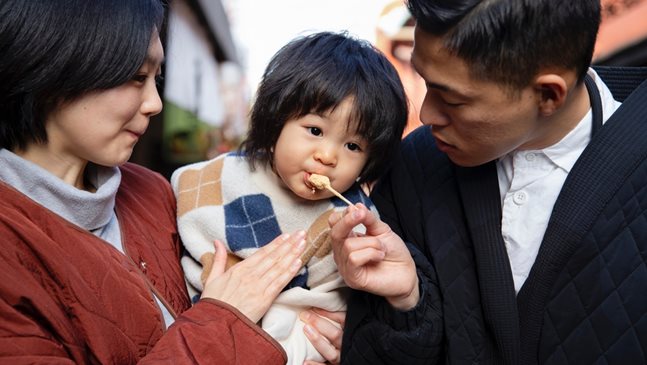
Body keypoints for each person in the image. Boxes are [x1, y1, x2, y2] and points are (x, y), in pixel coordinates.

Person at [299, 0, 647, 364]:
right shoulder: (413, 168)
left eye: (452, 100)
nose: (427, 114)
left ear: (548, 94)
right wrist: (405, 303)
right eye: (424, 82)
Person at [0, 1, 343, 363]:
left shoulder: (154, 192)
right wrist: (225, 319)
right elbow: (225, 314)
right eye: (136, 76)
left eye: (157, 79)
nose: (155, 103)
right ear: (53, 67)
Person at [170, 31, 408, 365]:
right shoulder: (212, 179)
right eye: (315, 130)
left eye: (352, 146)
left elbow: (337, 308)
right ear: (276, 119)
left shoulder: (351, 219)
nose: (327, 156)